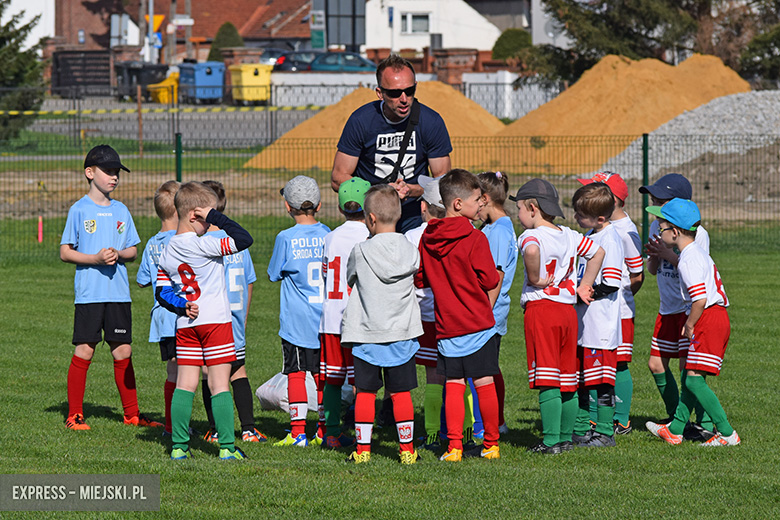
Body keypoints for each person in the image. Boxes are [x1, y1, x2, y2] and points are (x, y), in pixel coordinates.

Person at [60, 144, 161, 431]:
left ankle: (132, 415)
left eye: (117, 172)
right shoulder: (79, 210)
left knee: (123, 351)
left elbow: (132, 250)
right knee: (85, 350)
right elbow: (65, 252)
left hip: (118, 294)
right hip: (90, 295)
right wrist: (93, 258)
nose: (114, 177)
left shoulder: (121, 210)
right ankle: (75, 415)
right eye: (108, 171)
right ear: (90, 173)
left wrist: (119, 253)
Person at [156, 181, 252, 460]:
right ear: (195, 215)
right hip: (216, 322)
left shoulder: (168, 249)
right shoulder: (208, 243)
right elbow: (244, 239)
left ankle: (178, 447)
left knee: (185, 384)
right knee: (219, 384)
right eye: (206, 218)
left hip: (186, 323)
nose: (209, 225)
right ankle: (227, 448)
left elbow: (162, 292)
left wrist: (182, 305)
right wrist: (215, 217)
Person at [513, 178, 604, 454]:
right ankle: (566, 437)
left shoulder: (531, 235)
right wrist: (585, 285)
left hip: (542, 310)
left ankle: (551, 440)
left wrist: (535, 277)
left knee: (547, 378)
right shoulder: (568, 234)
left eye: (518, 208)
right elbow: (597, 252)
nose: (517, 215)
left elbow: (530, 250)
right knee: (568, 378)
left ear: (532, 208)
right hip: (567, 312)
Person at [416, 169, 501, 462]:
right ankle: (491, 443)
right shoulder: (476, 239)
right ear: (457, 204)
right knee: (483, 382)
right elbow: (490, 280)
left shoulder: (428, 238)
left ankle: (453, 447)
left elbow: (421, 280)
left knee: (453, 385)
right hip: (477, 323)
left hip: (446, 325)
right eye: (477, 199)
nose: (482, 203)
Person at [644, 199, 740, 447]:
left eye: (662, 226)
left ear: (674, 232)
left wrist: (689, 325)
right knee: (690, 376)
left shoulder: (688, 259)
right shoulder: (694, 252)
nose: (659, 230)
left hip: (708, 317)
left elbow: (699, 299)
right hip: (712, 316)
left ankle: (727, 433)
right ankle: (675, 430)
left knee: (694, 380)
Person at [341, 185, 423, 464]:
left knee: (365, 392)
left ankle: (363, 451)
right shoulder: (411, 250)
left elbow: (351, 278)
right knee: (400, 393)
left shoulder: (361, 251)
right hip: (402, 333)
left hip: (367, 333)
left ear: (371, 219)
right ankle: (407, 451)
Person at [330, 54, 452, 233]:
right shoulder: (361, 121)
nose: (404, 98)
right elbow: (338, 178)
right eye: (395, 93)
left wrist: (411, 190)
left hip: (414, 217)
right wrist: (381, 194)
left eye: (409, 91)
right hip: (371, 217)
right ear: (380, 93)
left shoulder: (431, 121)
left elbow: (443, 181)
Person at [641, 174, 713, 439]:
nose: (655, 203)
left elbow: (693, 270)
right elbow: (652, 269)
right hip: (666, 307)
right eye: (654, 199)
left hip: (686, 309)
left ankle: (702, 424)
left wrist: (667, 255)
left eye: (661, 199)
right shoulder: (655, 226)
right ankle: (676, 419)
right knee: (655, 364)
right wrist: (653, 257)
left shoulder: (698, 234)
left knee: (688, 370)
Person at [199, 180, 267, 445]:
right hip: (236, 320)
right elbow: (248, 283)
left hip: (214, 320)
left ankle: (215, 430)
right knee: (239, 371)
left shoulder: (202, 243)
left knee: (210, 373)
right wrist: (245, 318)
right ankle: (249, 429)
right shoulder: (238, 244)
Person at [577, 172, 643, 434]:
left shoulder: (624, 232)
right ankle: (597, 417)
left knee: (619, 362)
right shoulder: (599, 230)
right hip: (601, 307)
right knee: (600, 363)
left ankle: (621, 419)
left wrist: (622, 300)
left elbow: (637, 275)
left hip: (616, 309)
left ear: (610, 200)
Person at [268, 175, 330, 447]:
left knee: (295, 374)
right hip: (324, 321)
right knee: (321, 376)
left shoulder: (285, 237)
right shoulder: (328, 233)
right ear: (318, 205)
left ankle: (298, 433)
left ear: (286, 206)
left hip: (296, 322)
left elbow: (273, 274)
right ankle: (324, 430)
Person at [318, 177, 371, 450]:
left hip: (331, 317)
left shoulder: (330, 237)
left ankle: (332, 432)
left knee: (333, 378)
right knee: (363, 379)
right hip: (359, 318)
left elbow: (326, 273)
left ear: (340, 209)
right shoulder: (368, 237)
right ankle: (364, 432)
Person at [570, 183, 624, 449]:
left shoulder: (610, 239)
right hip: (585, 324)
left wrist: (583, 294)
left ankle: (605, 432)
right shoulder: (593, 234)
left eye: (581, 215)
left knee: (601, 381)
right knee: (581, 378)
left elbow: (611, 283)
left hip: (600, 326)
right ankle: (580, 428)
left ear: (600, 218)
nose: (576, 219)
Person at [404, 175, 447, 450]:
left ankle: (432, 432)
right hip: (453, 314)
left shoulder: (412, 236)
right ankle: (462, 430)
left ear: (423, 207)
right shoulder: (461, 231)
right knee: (458, 376)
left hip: (423, 314)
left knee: (433, 376)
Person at [137, 180, 181, 436]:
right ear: (178, 210)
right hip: (182, 313)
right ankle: (179, 427)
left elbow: (143, 281)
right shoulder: (184, 241)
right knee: (191, 372)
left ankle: (171, 425)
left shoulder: (152, 244)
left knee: (172, 371)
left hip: (162, 318)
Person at [476, 171, 517, 436]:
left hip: (489, 312)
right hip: (485, 311)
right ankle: (494, 421)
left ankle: (491, 426)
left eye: (474, 200)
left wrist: (483, 313)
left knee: (485, 370)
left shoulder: (501, 231)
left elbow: (497, 277)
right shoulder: (491, 227)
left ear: (486, 198)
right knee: (489, 368)